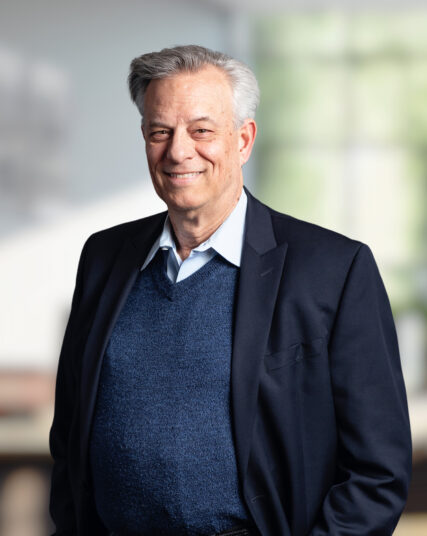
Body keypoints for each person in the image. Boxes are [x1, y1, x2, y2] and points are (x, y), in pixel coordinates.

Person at [49, 45, 412, 536]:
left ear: (243, 140)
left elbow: (377, 473)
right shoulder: (103, 258)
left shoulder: (334, 269)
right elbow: (69, 438)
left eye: (201, 130)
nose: (178, 151)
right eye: (160, 131)